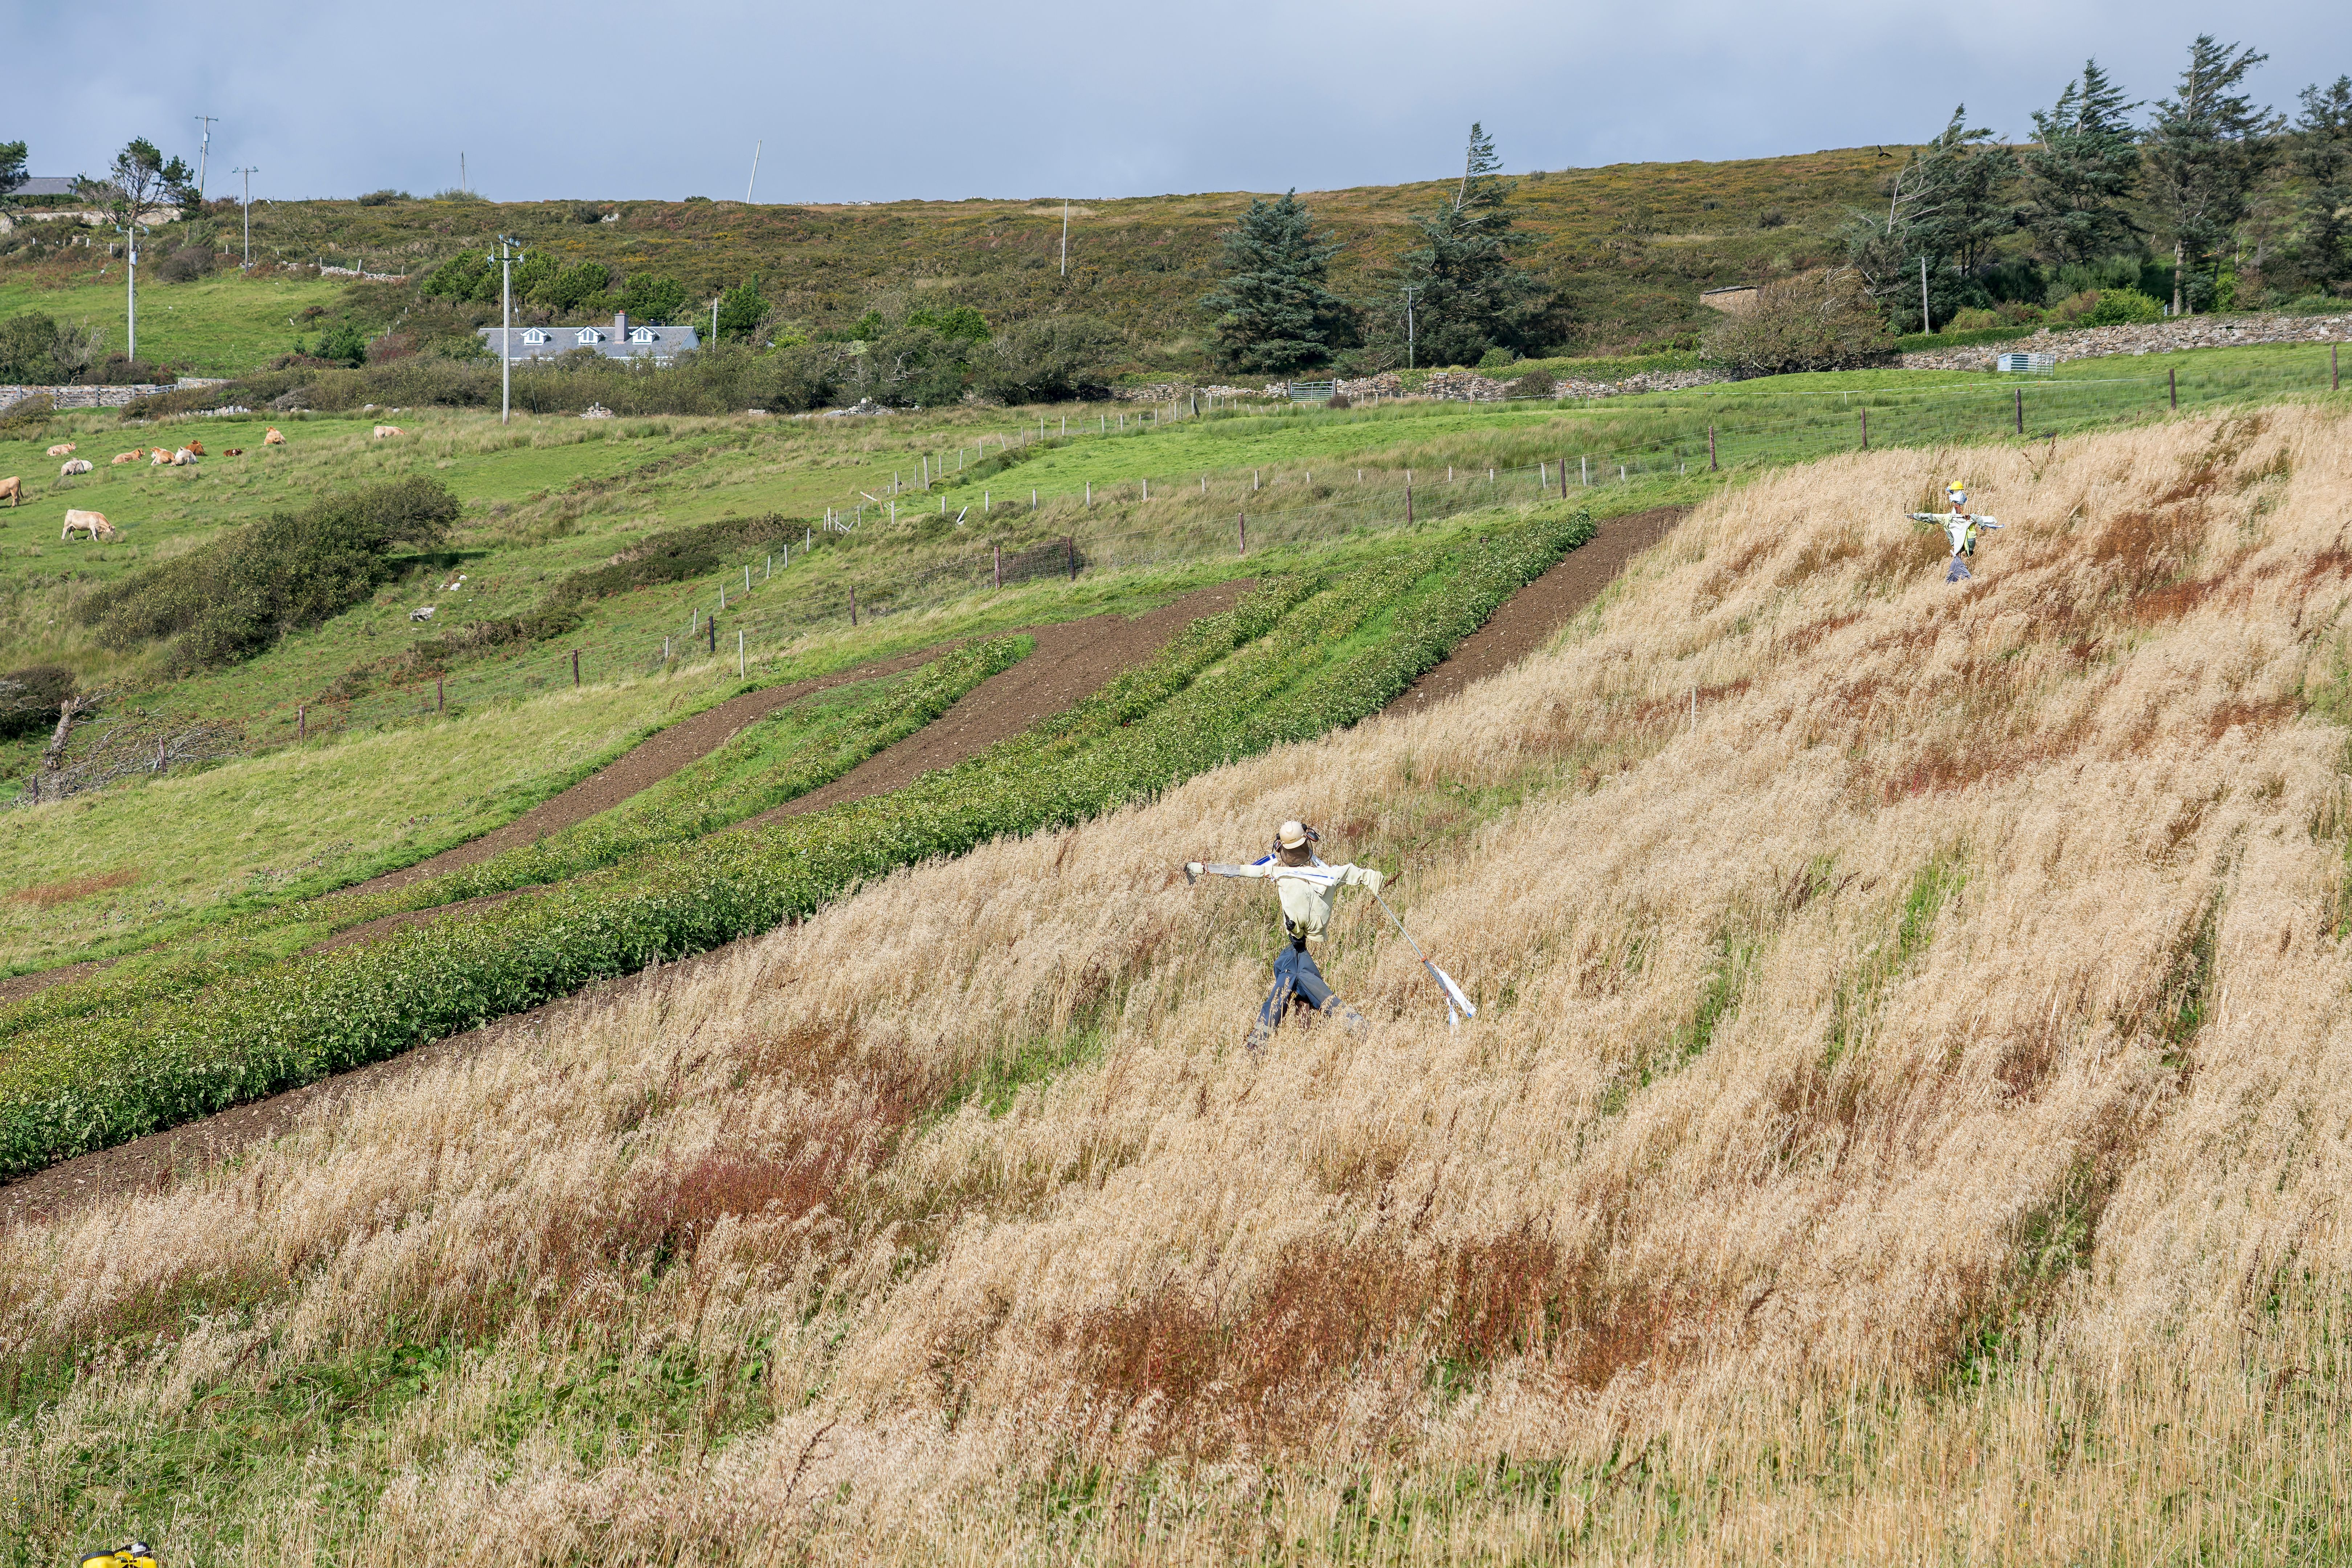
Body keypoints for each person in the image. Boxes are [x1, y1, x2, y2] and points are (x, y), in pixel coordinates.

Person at [1187, 820, 1383, 1051]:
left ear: (1282, 850)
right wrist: (1374, 881)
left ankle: (1259, 1044)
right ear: (1308, 843)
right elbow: (1360, 874)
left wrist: (1199, 868)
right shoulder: (1329, 875)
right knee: (1291, 973)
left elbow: (1242, 870)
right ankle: (1305, 1031)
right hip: (1309, 946)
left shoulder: (1277, 873)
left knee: (1291, 982)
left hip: (1300, 949)